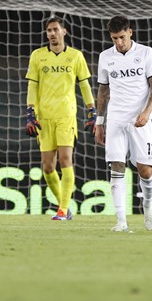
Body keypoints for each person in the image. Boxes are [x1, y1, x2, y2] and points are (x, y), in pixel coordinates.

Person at [24, 15, 97, 221]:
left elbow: (84, 85)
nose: (52, 34)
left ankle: (63, 210)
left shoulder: (75, 56)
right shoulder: (38, 56)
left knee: (65, 159)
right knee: (47, 167)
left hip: (66, 115)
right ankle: (63, 206)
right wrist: (30, 112)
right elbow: (32, 85)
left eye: (56, 29)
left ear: (64, 32)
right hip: (44, 117)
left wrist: (92, 110)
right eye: (49, 30)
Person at [93, 15, 152, 233]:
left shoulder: (146, 53)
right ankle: (121, 221)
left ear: (130, 32)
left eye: (122, 37)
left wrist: (147, 111)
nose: (119, 42)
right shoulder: (106, 57)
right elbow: (103, 90)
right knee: (116, 166)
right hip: (116, 119)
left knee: (145, 170)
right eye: (115, 38)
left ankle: (148, 204)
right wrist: (99, 121)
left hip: (140, 120)